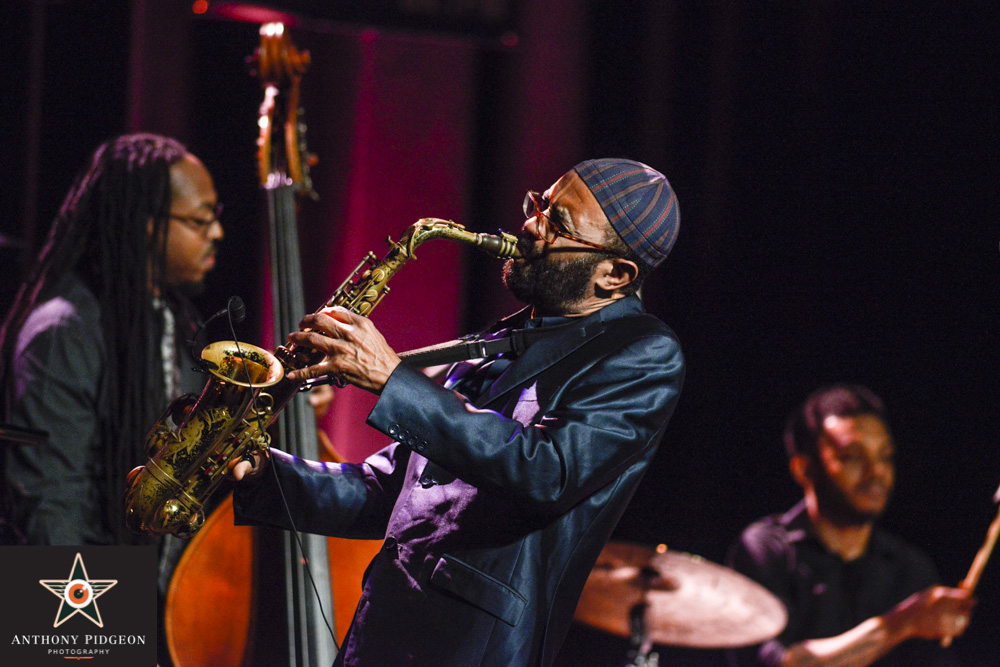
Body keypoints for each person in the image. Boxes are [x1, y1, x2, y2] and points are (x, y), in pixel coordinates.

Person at [230, 158, 685, 666]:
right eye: (541, 205)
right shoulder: (503, 338)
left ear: (614, 275)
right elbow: (389, 491)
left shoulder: (641, 352)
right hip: (380, 635)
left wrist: (392, 380)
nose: (531, 225)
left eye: (558, 225)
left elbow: (548, 470)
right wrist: (260, 473)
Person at [0, 133, 223, 665]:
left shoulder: (170, 320)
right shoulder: (62, 332)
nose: (217, 234)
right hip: (79, 623)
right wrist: (104, 646)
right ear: (146, 222)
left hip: (155, 619)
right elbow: (52, 512)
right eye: (200, 220)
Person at [727, 384, 975, 667]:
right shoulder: (767, 550)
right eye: (853, 456)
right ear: (804, 469)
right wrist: (899, 624)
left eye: (885, 456)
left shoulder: (910, 568)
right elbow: (777, 663)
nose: (876, 471)